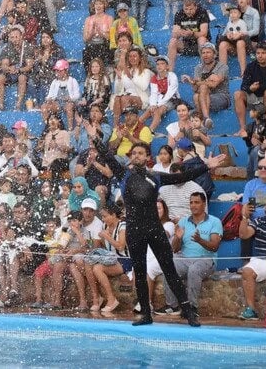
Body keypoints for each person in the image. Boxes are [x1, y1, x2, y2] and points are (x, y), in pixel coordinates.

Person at [94, 128, 226, 327]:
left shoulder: (156, 176)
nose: (136, 156)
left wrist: (206, 166)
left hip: (155, 229)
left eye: (140, 153)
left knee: (169, 270)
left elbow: (183, 177)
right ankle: (146, 314)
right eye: (134, 153)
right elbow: (107, 155)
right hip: (135, 231)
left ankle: (188, 313)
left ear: (147, 157)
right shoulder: (124, 175)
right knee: (139, 272)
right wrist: (94, 138)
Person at [154, 192, 222, 318]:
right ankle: (172, 306)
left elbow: (214, 246)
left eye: (197, 202)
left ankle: (192, 307)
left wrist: (200, 240)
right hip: (185, 258)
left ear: (204, 204)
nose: (193, 205)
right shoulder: (183, 222)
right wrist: (178, 238)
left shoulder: (214, 221)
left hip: (206, 259)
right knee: (169, 264)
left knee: (194, 269)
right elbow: (174, 249)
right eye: (191, 202)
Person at [233, 42, 266, 136]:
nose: (260, 56)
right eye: (258, 53)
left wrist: (259, 87)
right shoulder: (250, 66)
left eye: (263, 53)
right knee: (238, 94)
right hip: (255, 97)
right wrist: (250, 88)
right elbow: (243, 86)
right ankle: (243, 128)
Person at [0, 26, 34, 111]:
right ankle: (1, 105)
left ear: (21, 36)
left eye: (16, 37)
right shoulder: (7, 48)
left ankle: (18, 104)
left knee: (22, 78)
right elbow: (4, 65)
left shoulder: (27, 47)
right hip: (11, 72)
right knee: (0, 78)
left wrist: (19, 70)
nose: (14, 39)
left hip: (23, 72)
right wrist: (9, 68)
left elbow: (29, 66)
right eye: (12, 37)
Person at [167, 0, 211, 69]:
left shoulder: (202, 12)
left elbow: (204, 33)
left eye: (191, 9)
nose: (188, 11)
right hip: (186, 45)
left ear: (196, 7)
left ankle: (205, 69)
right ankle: (169, 72)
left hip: (201, 46)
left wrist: (192, 33)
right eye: (186, 9)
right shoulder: (179, 14)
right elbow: (174, 34)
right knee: (173, 41)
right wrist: (180, 32)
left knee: (202, 39)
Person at [140, 56, 179, 133]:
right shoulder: (154, 78)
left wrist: (158, 105)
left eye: (162, 64)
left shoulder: (172, 76)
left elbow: (170, 93)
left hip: (172, 99)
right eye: (157, 64)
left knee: (158, 111)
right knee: (149, 110)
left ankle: (150, 131)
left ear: (167, 66)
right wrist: (153, 104)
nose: (159, 66)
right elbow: (154, 93)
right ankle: (136, 127)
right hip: (159, 99)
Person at [40, 59, 79, 130]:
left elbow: (77, 95)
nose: (58, 73)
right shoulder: (54, 82)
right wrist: (49, 99)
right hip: (57, 103)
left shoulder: (73, 81)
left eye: (60, 71)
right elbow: (49, 95)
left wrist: (71, 98)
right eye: (57, 71)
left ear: (66, 70)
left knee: (69, 106)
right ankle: (48, 127)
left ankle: (70, 129)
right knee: (44, 107)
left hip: (68, 103)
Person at [81, 0, 113, 71]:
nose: (98, 6)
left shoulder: (109, 18)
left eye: (100, 4)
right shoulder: (88, 19)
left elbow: (111, 37)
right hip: (91, 45)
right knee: (86, 52)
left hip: (104, 44)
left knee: (103, 50)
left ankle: (102, 73)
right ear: (93, 6)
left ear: (104, 5)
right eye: (96, 4)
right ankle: (90, 74)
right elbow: (85, 39)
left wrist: (100, 32)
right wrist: (92, 32)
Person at [217, 4, 250, 75]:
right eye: (231, 13)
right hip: (232, 46)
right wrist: (228, 35)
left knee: (240, 43)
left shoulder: (242, 22)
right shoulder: (229, 24)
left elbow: (245, 33)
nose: (232, 14)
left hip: (242, 46)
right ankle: (223, 73)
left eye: (235, 12)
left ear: (239, 14)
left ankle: (243, 72)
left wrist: (238, 35)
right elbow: (224, 35)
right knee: (222, 44)